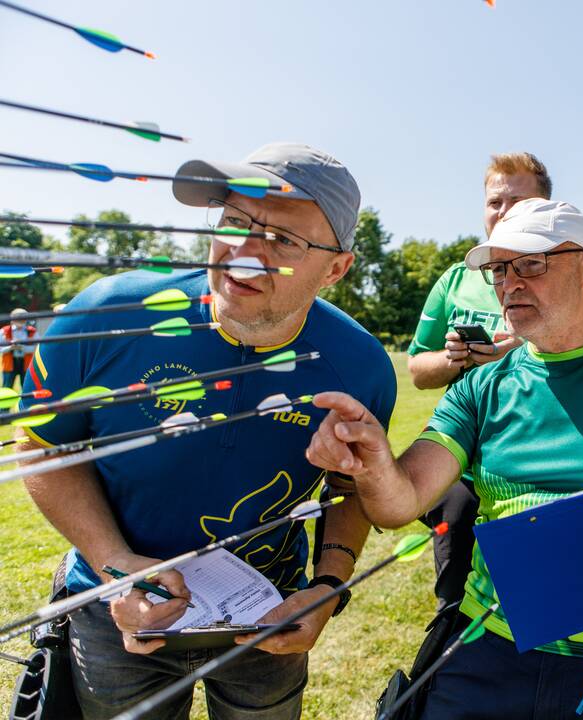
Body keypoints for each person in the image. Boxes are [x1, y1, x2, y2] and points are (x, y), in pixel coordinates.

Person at [307, 199, 583, 719]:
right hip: (486, 646)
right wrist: (375, 465)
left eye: (532, 264)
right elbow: (402, 500)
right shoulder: (482, 384)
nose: (509, 283)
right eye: (498, 269)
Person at [17, 143, 397, 719]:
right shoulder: (108, 315)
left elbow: (351, 487)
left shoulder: (362, 367)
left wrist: (328, 585)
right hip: (116, 604)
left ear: (337, 268)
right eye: (236, 222)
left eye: (284, 241)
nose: (244, 253)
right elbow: (42, 447)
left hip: (268, 612)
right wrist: (115, 564)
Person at [406, 152, 583, 611]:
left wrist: (525, 351)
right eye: (493, 202)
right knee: (453, 595)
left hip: (543, 461)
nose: (502, 212)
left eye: (516, 200)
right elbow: (416, 370)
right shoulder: (455, 279)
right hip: (463, 465)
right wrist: (454, 359)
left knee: (547, 600)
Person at [1, 308, 36, 389]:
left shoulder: (32, 331)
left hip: (26, 363)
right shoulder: (4, 331)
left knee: (27, 388)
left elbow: (34, 348)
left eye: (23, 317)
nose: (21, 319)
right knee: (7, 387)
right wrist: (11, 347)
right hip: (9, 363)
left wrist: (22, 347)